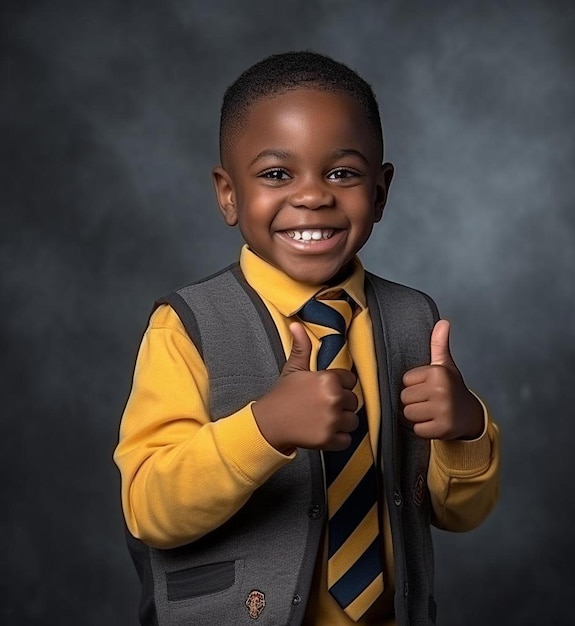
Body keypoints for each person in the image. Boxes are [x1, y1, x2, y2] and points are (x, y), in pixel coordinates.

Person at [114, 51, 500, 626]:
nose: (313, 195)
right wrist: (263, 429)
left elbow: (458, 514)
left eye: (342, 173)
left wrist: (466, 429)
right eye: (276, 174)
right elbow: (148, 508)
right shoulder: (186, 325)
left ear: (381, 190)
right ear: (228, 193)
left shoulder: (415, 319)